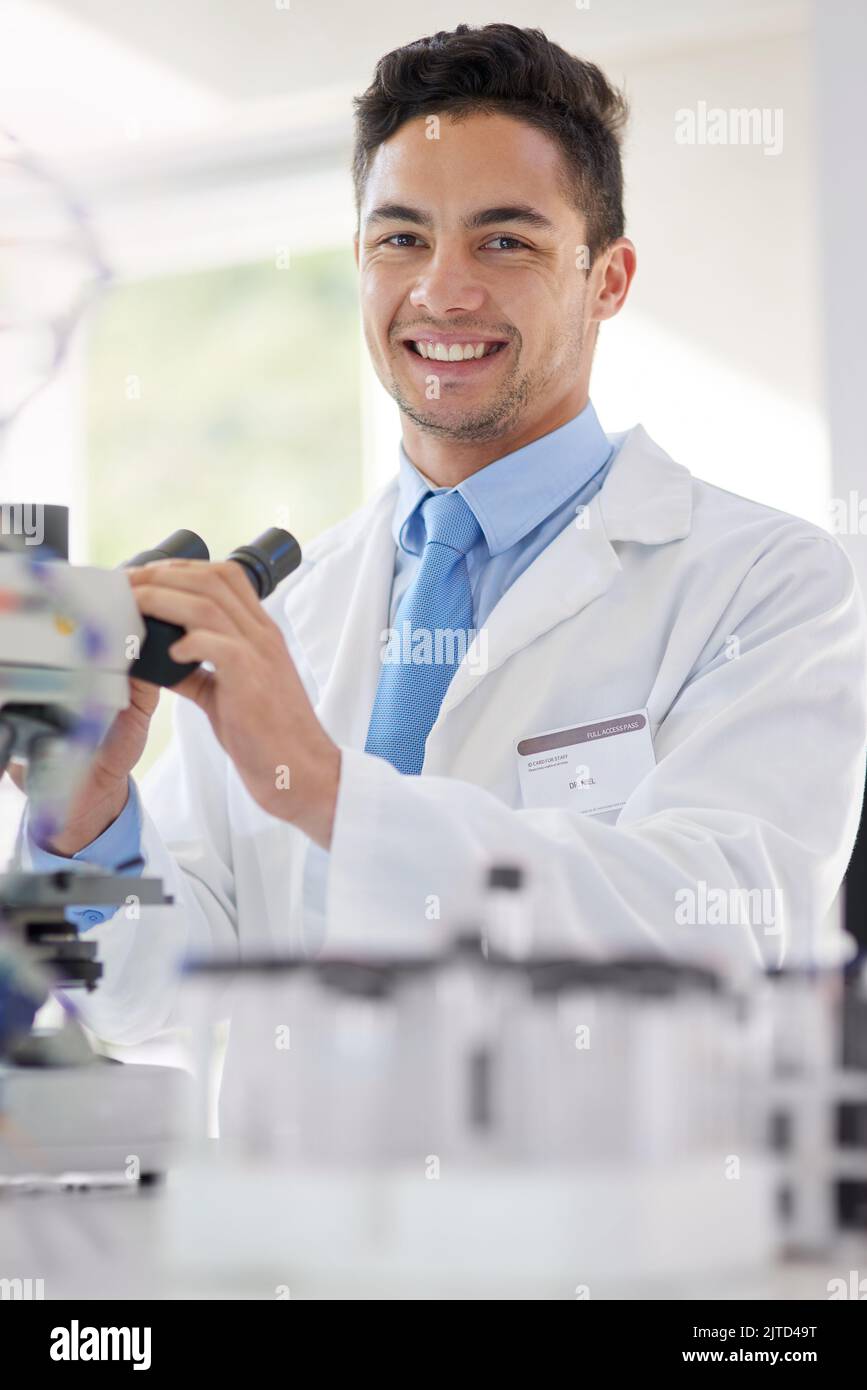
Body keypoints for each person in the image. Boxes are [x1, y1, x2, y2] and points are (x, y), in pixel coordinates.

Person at [17, 24, 867, 1050]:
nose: (442, 290)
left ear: (609, 278)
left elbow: (723, 930)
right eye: (402, 238)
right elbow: (165, 1002)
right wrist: (89, 826)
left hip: (601, 1211)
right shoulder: (283, 613)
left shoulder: (770, 586)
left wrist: (327, 788)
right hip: (293, 1207)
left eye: (505, 239)